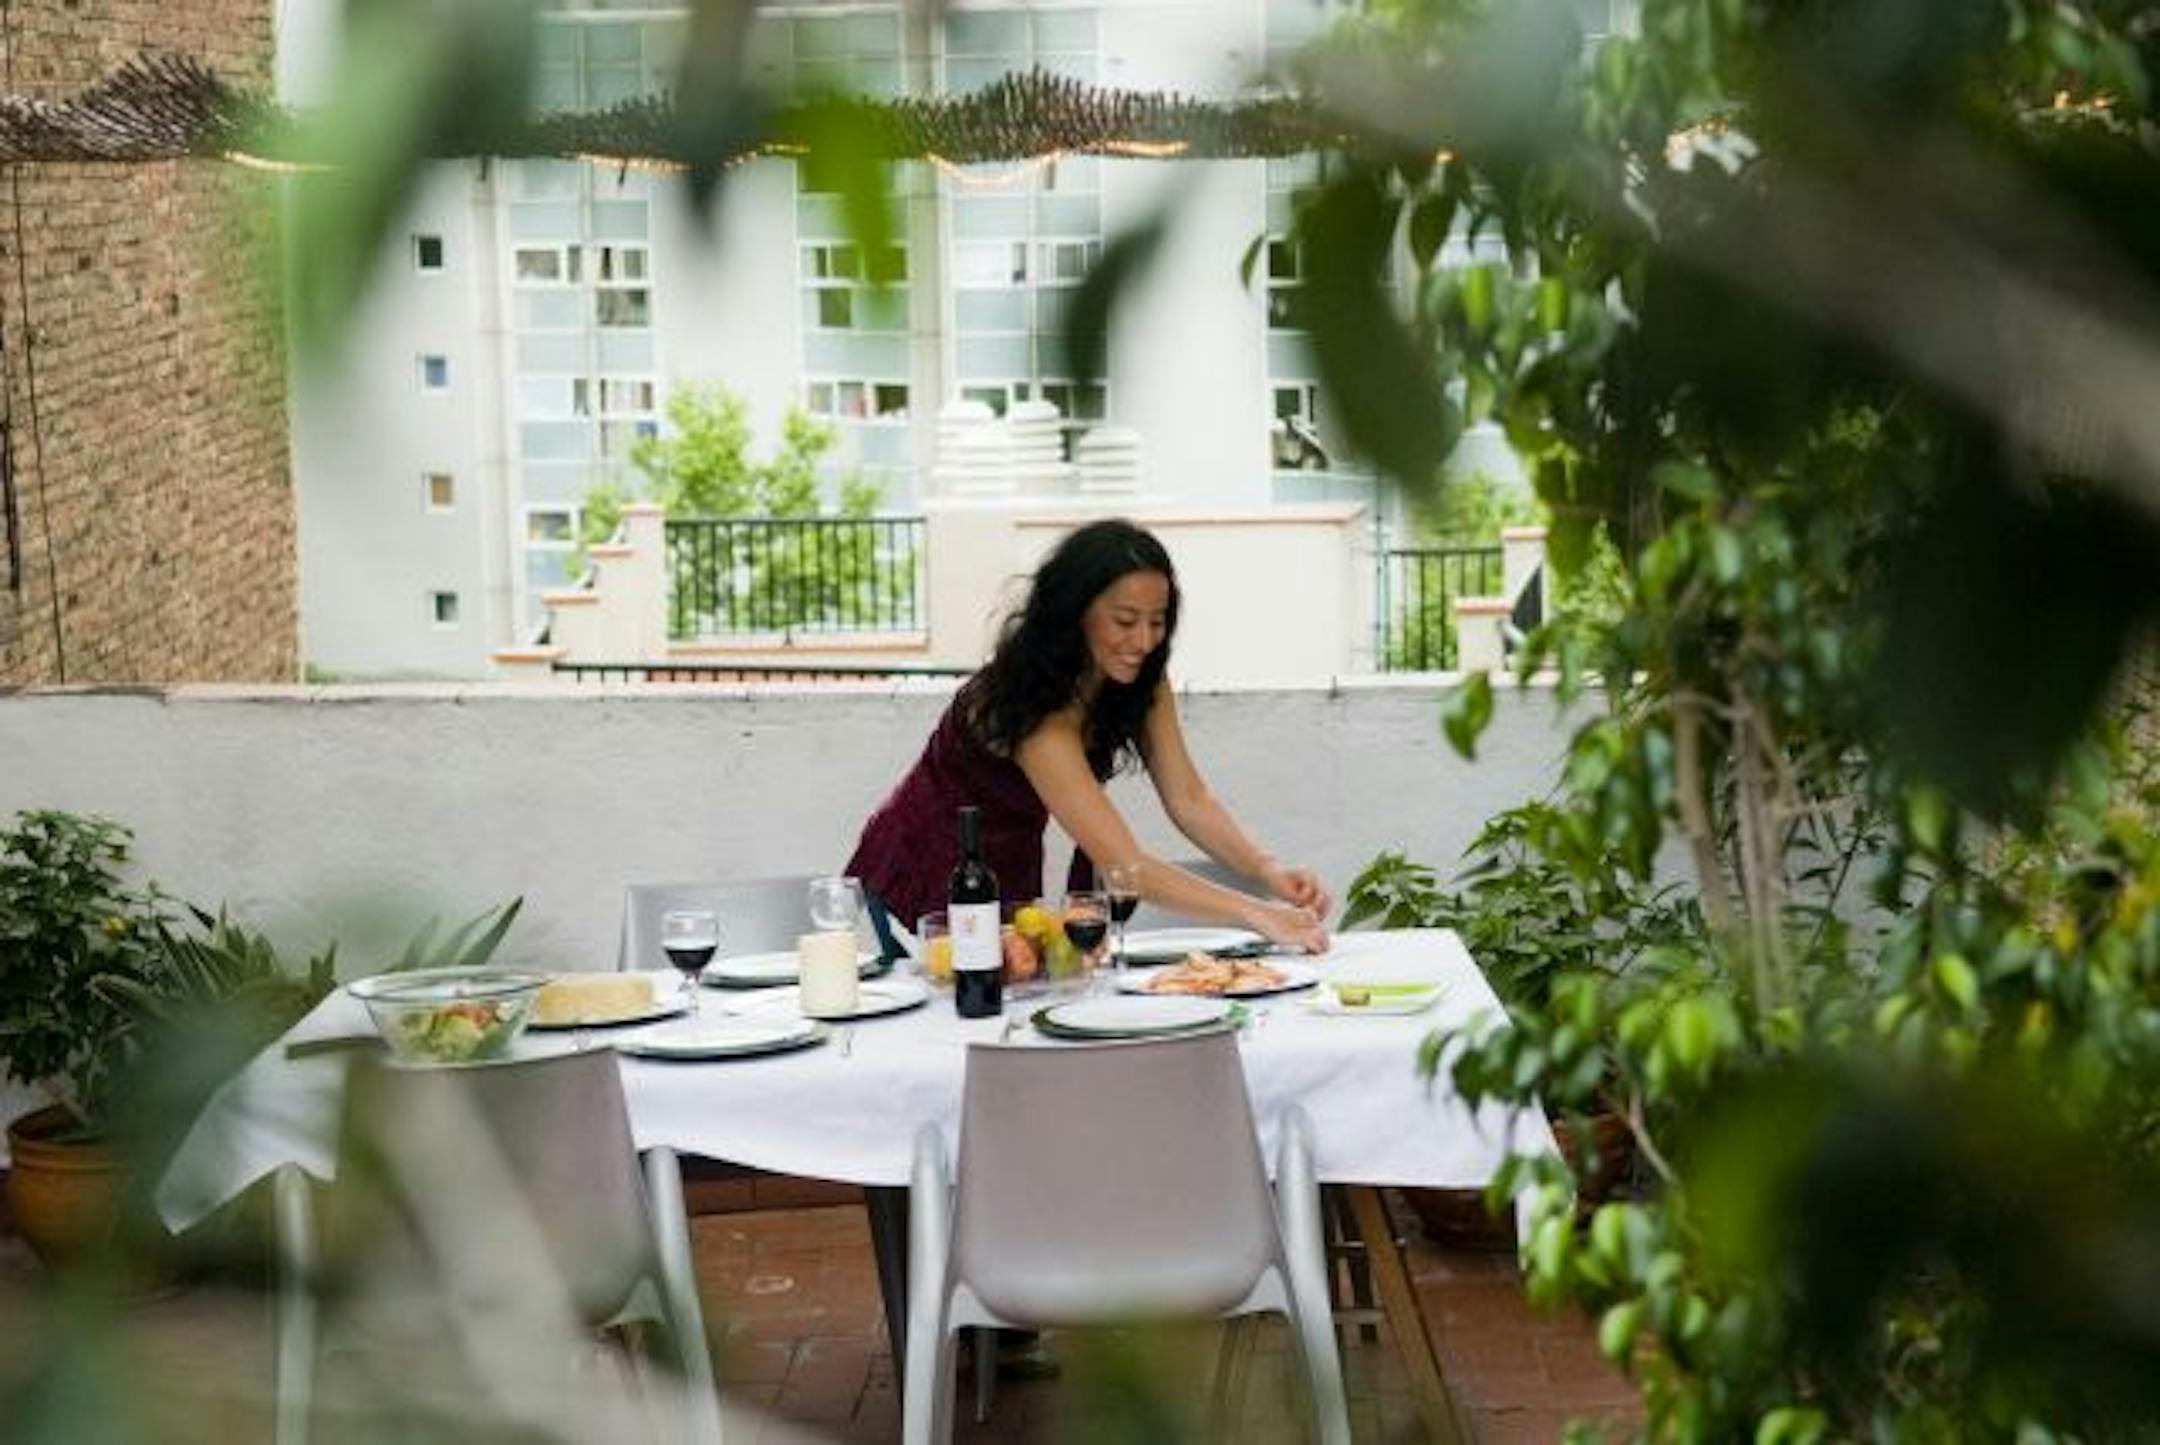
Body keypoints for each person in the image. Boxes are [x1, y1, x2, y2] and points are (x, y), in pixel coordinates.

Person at [847, 517, 1331, 955]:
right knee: (957, 1026)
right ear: (1075, 610)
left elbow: (1190, 798)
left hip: (1008, 873)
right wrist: (1259, 914)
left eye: (1157, 622)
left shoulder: (1141, 677)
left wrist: (1266, 869)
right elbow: (1125, 867)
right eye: (1125, 621)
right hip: (928, 868)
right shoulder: (1034, 706)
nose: (1143, 641)